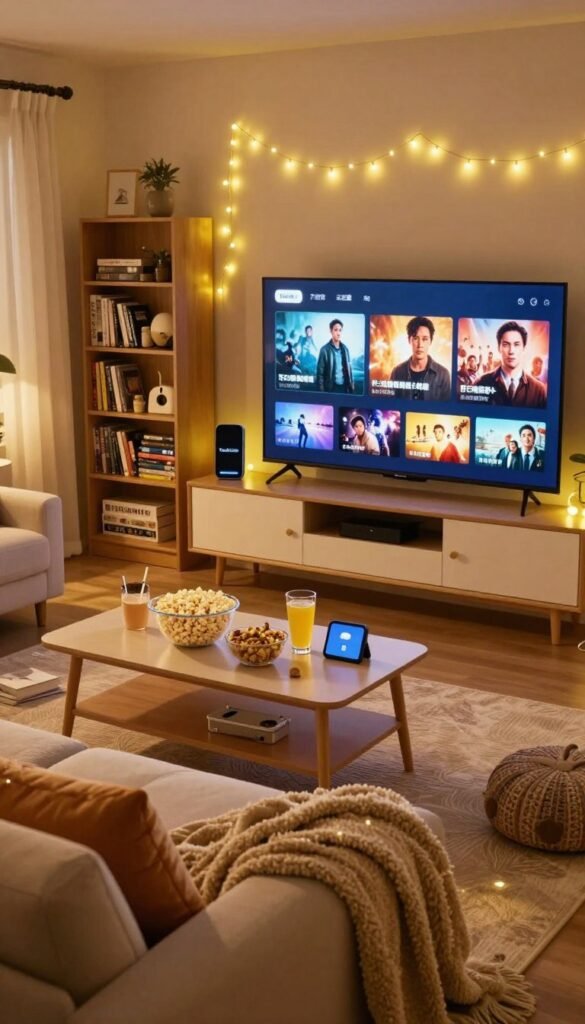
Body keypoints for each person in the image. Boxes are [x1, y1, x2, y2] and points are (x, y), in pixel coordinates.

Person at [475, 322, 546, 407]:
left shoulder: (538, 390)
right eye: (506, 345)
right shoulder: (481, 382)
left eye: (516, 345)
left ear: (524, 348)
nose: (511, 351)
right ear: (499, 348)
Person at [389, 316, 451, 401]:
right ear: (409, 340)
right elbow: (391, 406)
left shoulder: (443, 374)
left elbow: (446, 411)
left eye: (425, 339)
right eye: (415, 338)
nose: (420, 345)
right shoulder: (397, 372)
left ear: (430, 341)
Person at [316, 319, 355, 393]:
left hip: (344, 388)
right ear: (331, 331)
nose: (338, 333)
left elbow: (350, 369)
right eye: (336, 330)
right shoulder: (324, 350)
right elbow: (320, 375)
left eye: (340, 330)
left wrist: (352, 385)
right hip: (331, 388)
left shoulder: (345, 349)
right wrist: (322, 393)